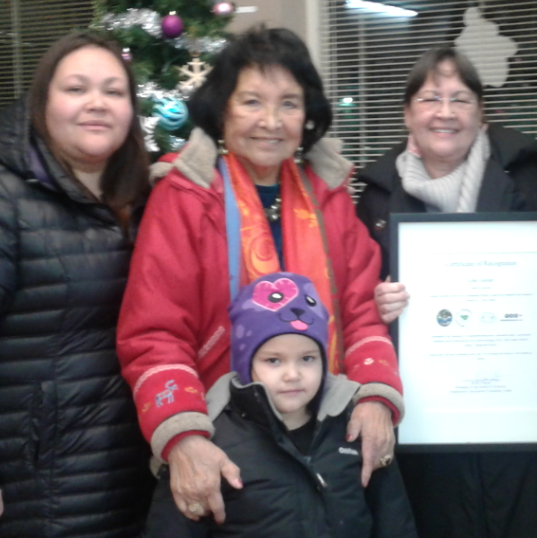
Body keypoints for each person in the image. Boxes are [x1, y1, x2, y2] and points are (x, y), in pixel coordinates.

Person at [117, 26, 405, 525]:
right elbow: (155, 332)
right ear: (223, 109)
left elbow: (361, 313)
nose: (271, 121)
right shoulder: (185, 197)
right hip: (224, 450)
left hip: (326, 445)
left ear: (307, 115)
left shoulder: (329, 196)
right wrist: (184, 438)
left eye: (289, 104)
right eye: (252, 101)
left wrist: (378, 397)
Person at [356, 47, 537, 538]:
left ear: (481, 114)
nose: (445, 112)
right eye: (430, 98)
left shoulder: (527, 176)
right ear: (407, 113)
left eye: (460, 99)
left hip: (518, 414)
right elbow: (353, 306)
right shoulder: (374, 196)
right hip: (425, 422)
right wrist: (378, 306)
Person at [0, 32, 152, 537]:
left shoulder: (145, 198)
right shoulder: (9, 197)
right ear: (43, 101)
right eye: (76, 88)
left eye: (114, 91)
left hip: (134, 470)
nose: (96, 104)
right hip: (39, 478)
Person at [144, 271, 417, 538]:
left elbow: (394, 522)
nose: (292, 374)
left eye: (307, 358)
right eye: (273, 360)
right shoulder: (210, 446)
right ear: (245, 363)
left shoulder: (357, 427)